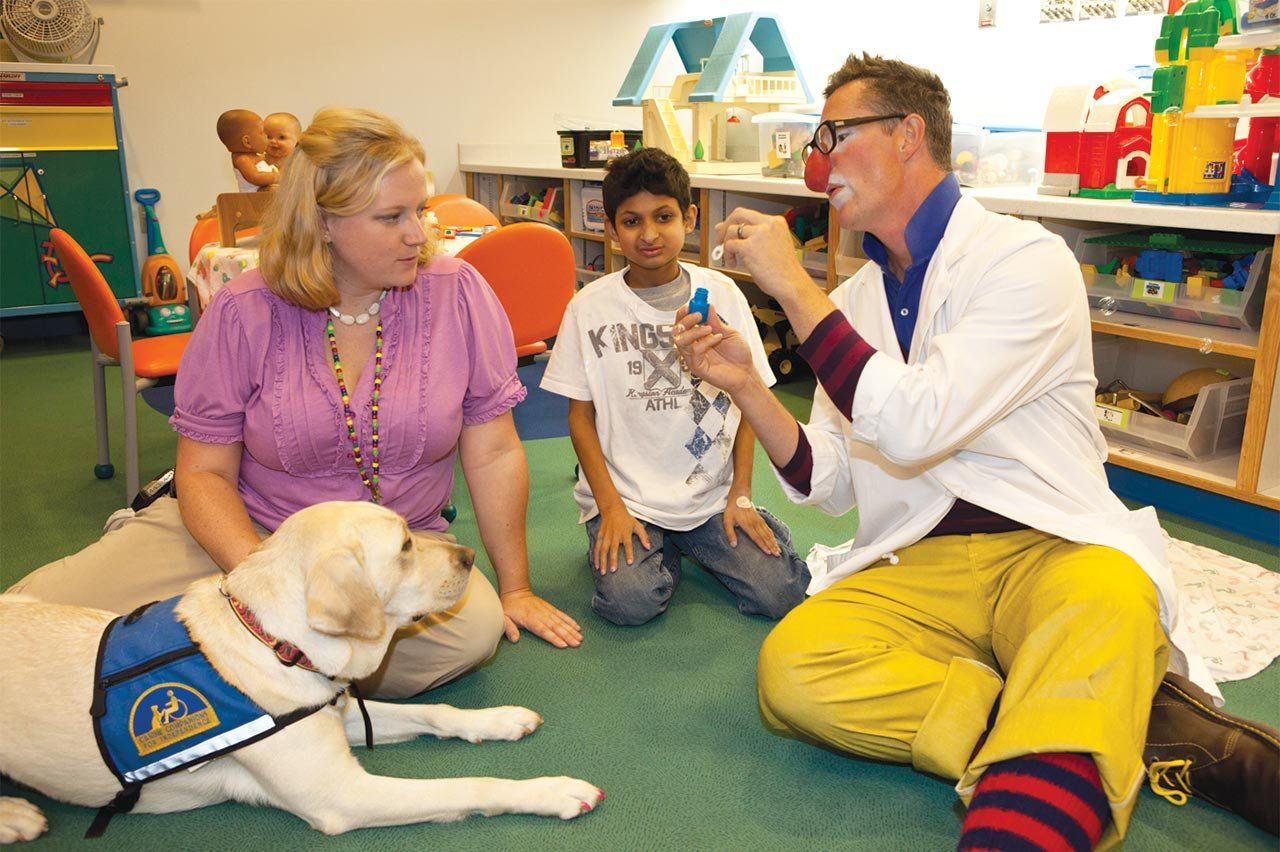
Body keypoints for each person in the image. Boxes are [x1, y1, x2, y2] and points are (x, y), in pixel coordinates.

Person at [673, 54, 1277, 847]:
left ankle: (1056, 732)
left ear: (908, 135)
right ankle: (1105, 717)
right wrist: (750, 385)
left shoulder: (1027, 260)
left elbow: (918, 423)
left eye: (835, 134)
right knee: (794, 670)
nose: (817, 164)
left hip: (1053, 549)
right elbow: (829, 482)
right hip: (918, 564)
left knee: (1107, 601)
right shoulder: (852, 300)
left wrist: (793, 288)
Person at [10, 107, 582, 699]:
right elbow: (204, 474)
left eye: (421, 210)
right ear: (323, 223)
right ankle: (249, 648)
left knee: (469, 636)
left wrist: (515, 587)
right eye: (392, 217)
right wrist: (266, 583)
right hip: (251, 533)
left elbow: (492, 453)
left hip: (393, 546)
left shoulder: (458, 293)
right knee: (32, 617)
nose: (419, 234)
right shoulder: (242, 309)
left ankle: (229, 655)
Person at [540, 147, 808, 626]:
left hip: (709, 496)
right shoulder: (589, 307)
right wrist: (611, 508)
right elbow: (580, 419)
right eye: (631, 221)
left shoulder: (724, 295)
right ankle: (658, 546)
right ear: (612, 229)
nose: (648, 235)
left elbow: (750, 404)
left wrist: (740, 494)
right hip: (628, 498)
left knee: (782, 595)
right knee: (629, 604)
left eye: (663, 217)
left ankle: (699, 539)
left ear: (690, 216)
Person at [216, 109, 277, 193]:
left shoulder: (254, 156)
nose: (266, 136)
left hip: (263, 196)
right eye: (262, 132)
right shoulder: (243, 159)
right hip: (252, 200)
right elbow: (256, 177)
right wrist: (276, 177)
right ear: (247, 142)